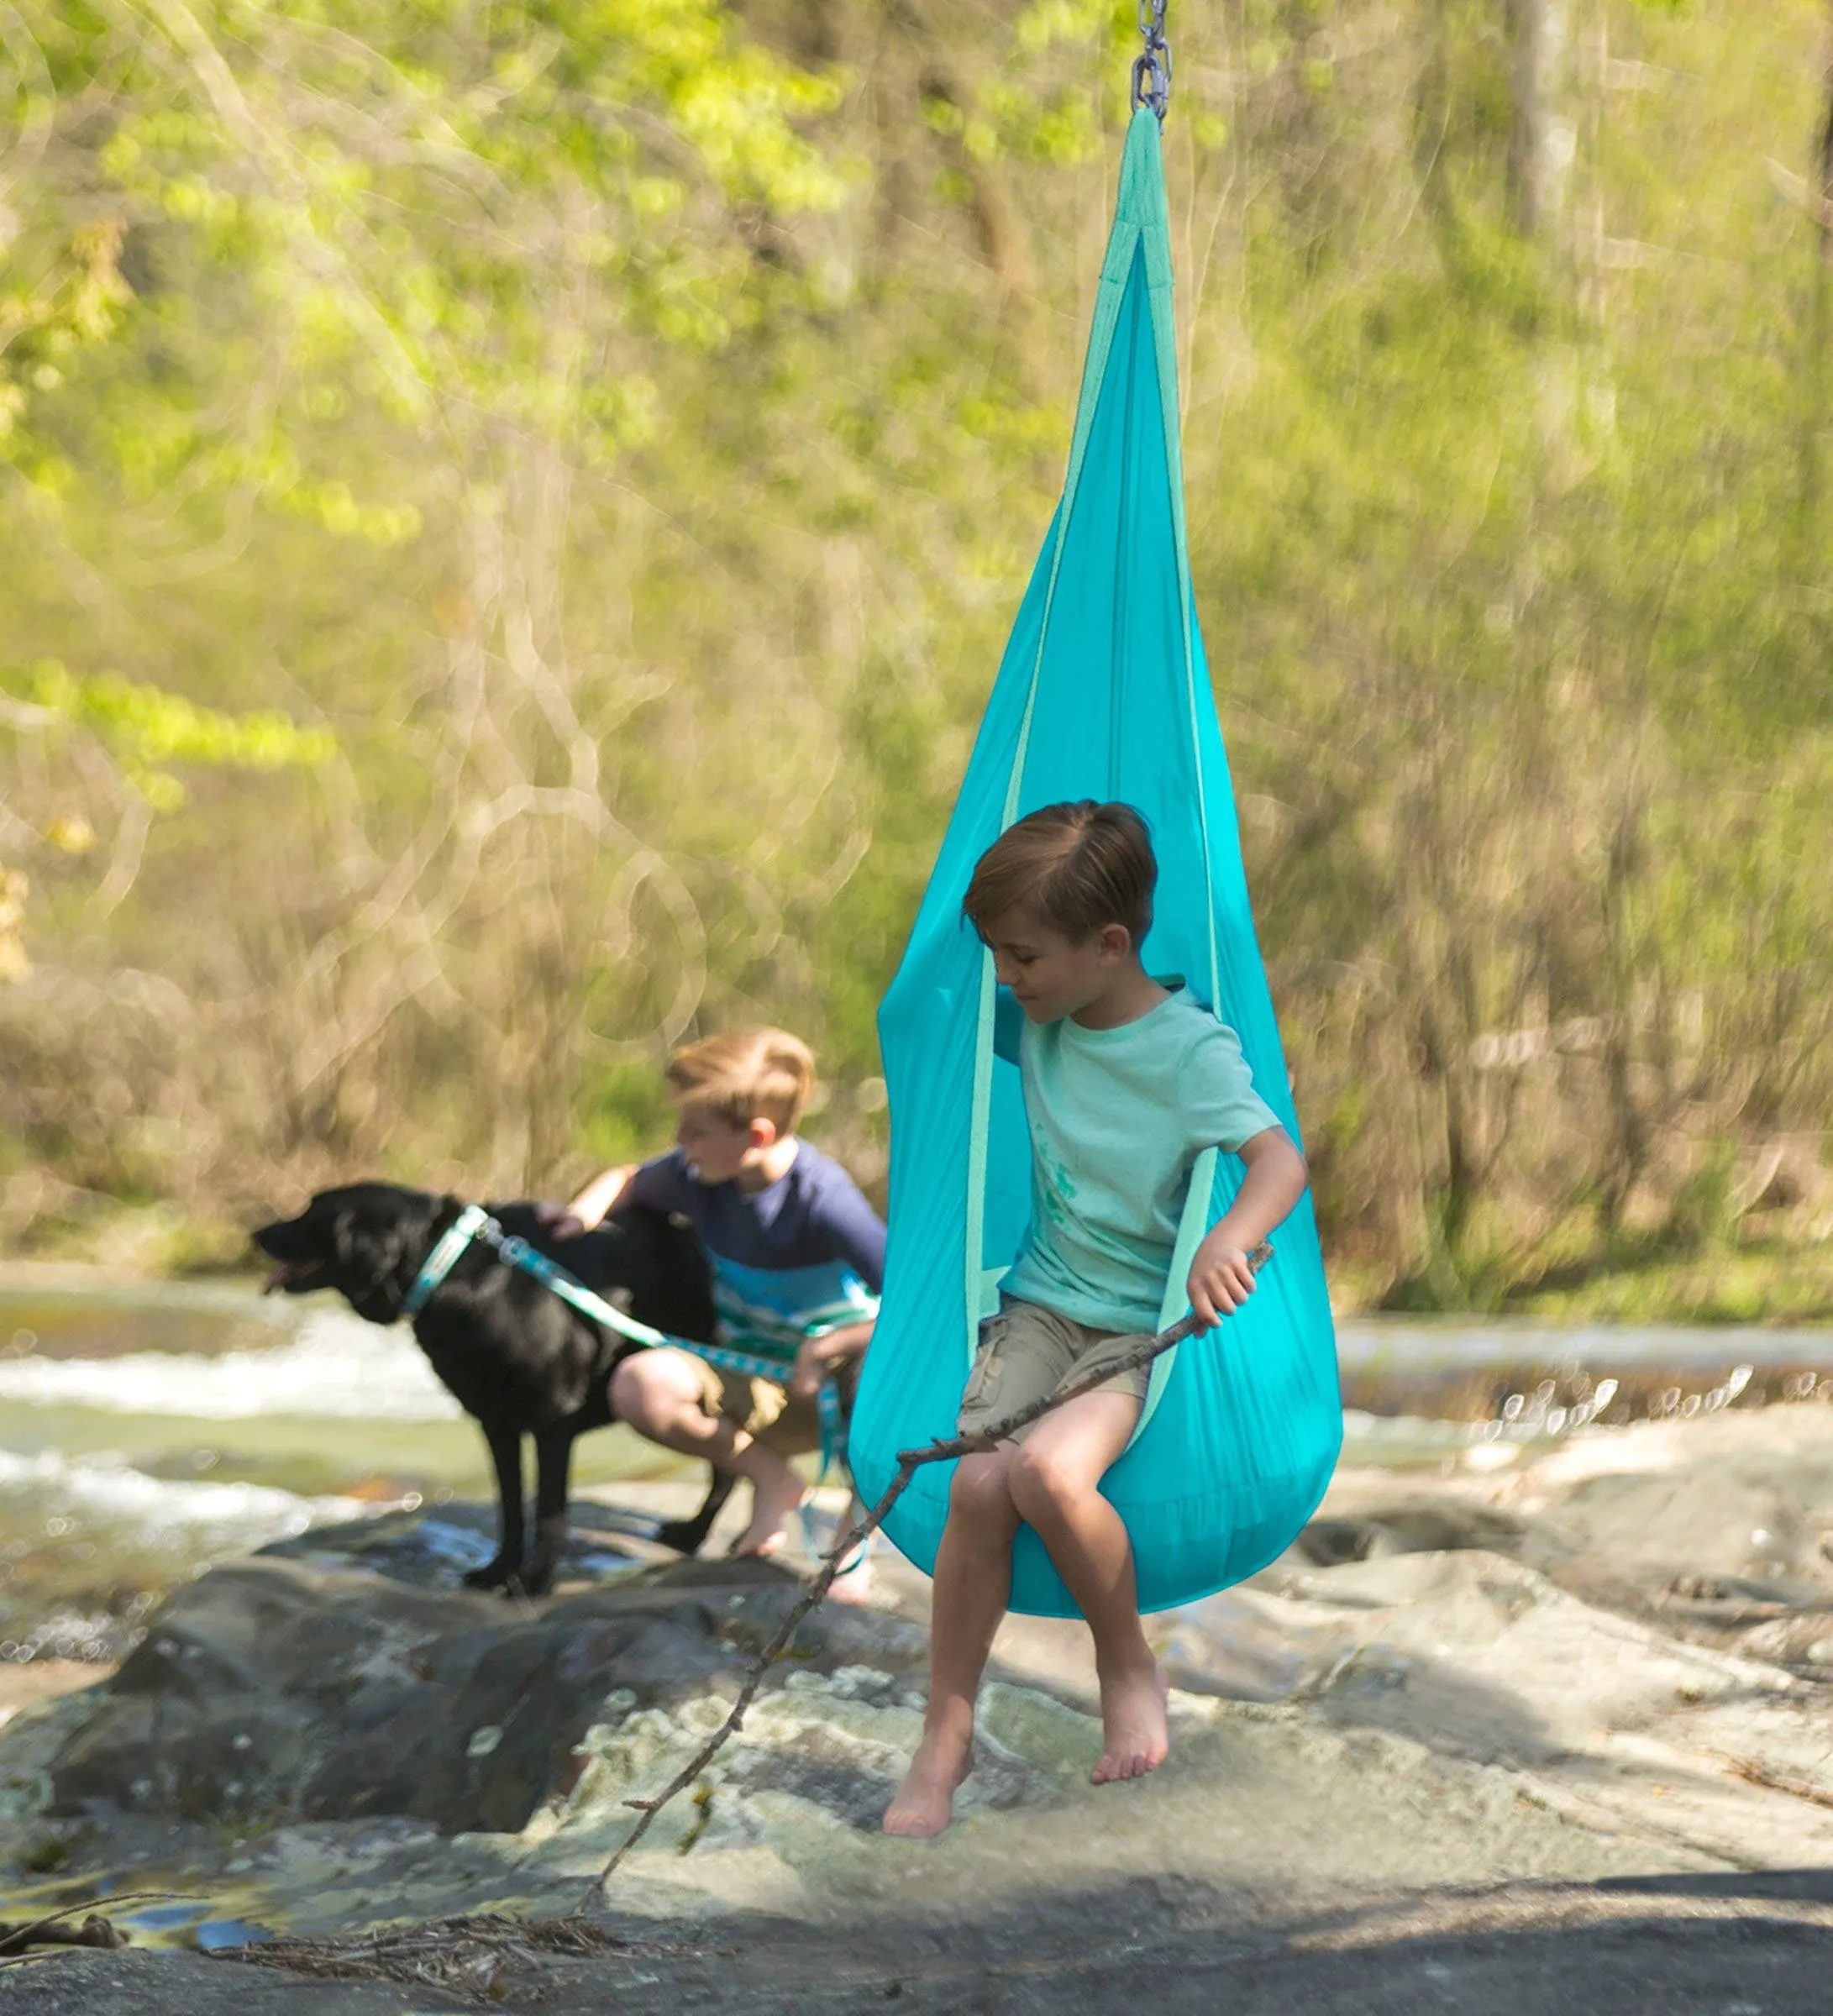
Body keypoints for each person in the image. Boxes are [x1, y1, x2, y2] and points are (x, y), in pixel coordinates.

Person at [882, 801, 1310, 1837]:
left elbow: (1278, 1160)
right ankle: (943, 1740)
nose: (1006, 977)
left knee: (1040, 1474)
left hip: (1132, 1329)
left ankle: (1127, 1663)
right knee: (977, 1482)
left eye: (1021, 956)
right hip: (1038, 1306)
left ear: (1109, 946)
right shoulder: (1036, 1014)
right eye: (1000, 955)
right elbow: (931, 999)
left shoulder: (1187, 1050)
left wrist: (1226, 1240)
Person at [551, 1027, 884, 1562]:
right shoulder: (697, 1175)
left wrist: (830, 1346)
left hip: (832, 1384)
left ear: (756, 1135)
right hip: (754, 1375)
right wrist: (580, 1214)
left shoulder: (824, 1202)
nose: (680, 1140)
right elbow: (629, 1179)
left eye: (696, 1129)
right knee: (641, 1386)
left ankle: (851, 1548)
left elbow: (917, 1307)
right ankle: (773, 1481)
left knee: (881, 1385)